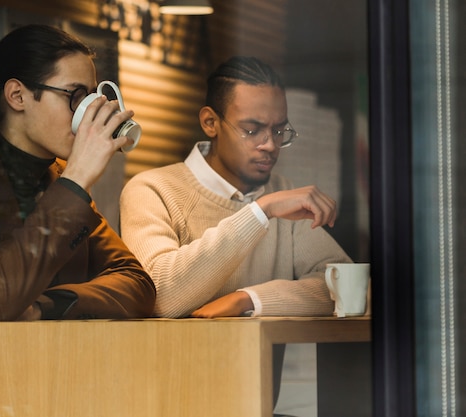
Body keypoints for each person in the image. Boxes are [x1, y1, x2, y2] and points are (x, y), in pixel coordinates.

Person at [119, 56, 352, 407]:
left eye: (278, 130)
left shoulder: (280, 192)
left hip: (255, 408)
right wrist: (260, 211)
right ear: (210, 122)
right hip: (164, 408)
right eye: (252, 129)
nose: (270, 145)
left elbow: (344, 286)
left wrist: (249, 301)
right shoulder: (152, 190)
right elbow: (160, 296)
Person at [0, 24, 156, 322]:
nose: (89, 113)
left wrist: (49, 305)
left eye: (92, 98)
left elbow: (137, 284)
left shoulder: (58, 178)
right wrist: (77, 178)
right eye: (75, 96)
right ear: (18, 96)